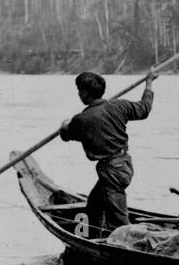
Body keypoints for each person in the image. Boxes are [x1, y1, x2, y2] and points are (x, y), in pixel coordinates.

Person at [59, 71, 155, 238]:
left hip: (111, 173)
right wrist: (149, 83)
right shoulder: (119, 106)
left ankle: (122, 247)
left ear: (84, 94)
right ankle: (94, 238)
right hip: (123, 165)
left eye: (79, 90)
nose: (78, 94)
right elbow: (145, 109)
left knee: (119, 223)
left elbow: (66, 135)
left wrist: (64, 124)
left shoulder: (82, 119)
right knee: (94, 205)